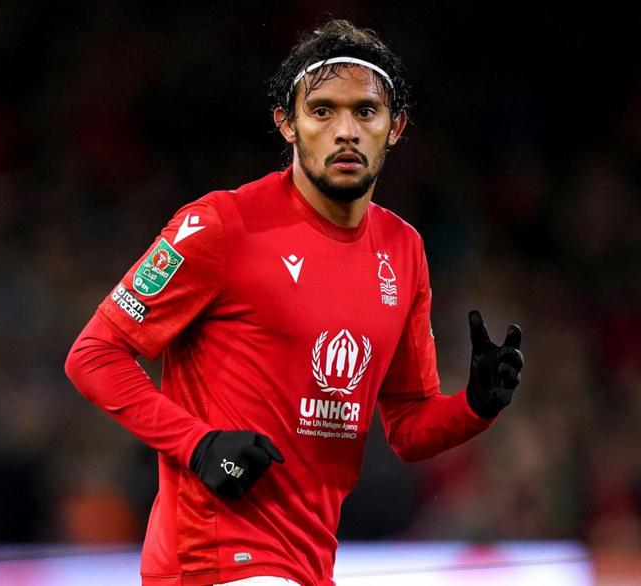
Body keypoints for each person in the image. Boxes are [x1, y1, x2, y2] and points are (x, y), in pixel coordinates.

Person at [64, 19, 524, 586]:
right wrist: (198, 444)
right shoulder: (220, 224)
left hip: (308, 563)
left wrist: (475, 406)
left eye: (365, 111)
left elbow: (408, 426)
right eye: (322, 111)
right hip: (213, 558)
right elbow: (94, 354)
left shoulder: (403, 250)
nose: (345, 131)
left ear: (396, 126)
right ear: (287, 123)